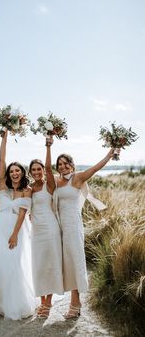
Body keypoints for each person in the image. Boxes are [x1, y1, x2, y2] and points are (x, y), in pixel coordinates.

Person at [54, 147, 116, 319]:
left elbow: (95, 168)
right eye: (60, 164)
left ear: (72, 166)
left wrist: (108, 156)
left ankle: (75, 302)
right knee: (67, 263)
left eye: (66, 164)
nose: (63, 167)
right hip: (60, 227)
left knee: (75, 261)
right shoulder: (57, 182)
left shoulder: (78, 177)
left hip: (73, 225)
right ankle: (75, 301)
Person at [0, 130, 35, 320]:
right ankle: (2, 303)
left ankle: (19, 304)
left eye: (17, 171)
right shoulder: (3, 187)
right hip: (0, 230)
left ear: (22, 172)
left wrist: (15, 234)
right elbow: (1, 161)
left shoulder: (27, 191)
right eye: (11, 171)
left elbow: (23, 215)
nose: (14, 173)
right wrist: (4, 138)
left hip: (17, 231)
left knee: (16, 264)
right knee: (2, 265)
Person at [29, 135, 63, 318]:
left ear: (43, 170)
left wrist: (48, 145)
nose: (36, 172)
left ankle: (48, 303)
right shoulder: (29, 188)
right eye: (33, 169)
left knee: (49, 264)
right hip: (36, 231)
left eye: (39, 169)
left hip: (50, 229)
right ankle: (42, 301)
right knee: (39, 265)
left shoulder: (49, 185)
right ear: (30, 172)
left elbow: (50, 167)